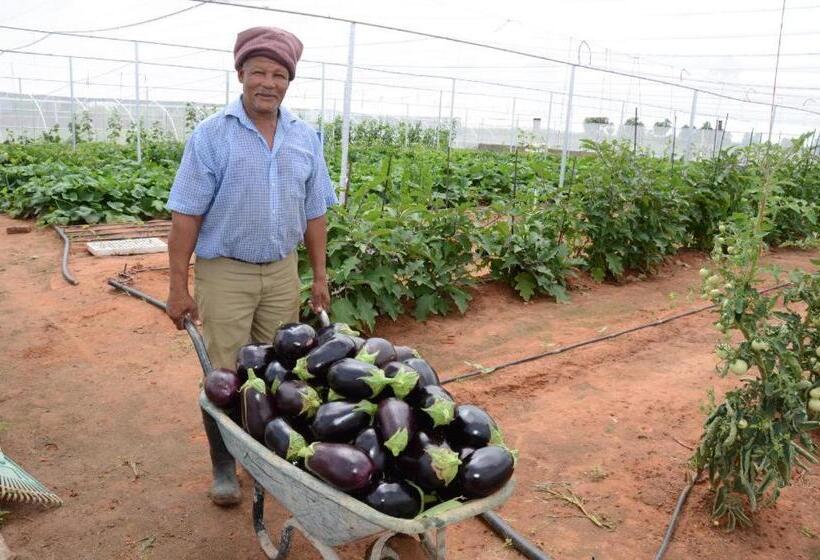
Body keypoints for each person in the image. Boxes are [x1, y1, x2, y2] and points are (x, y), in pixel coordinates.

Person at [164, 26, 337, 506]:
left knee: (282, 370)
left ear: (289, 82)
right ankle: (224, 464)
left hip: (281, 271)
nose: (268, 83)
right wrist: (178, 286)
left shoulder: (305, 137)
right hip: (226, 271)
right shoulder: (212, 135)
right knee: (225, 375)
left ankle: (268, 459)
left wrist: (319, 277)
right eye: (259, 72)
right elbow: (185, 216)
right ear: (240, 73)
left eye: (279, 75)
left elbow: (315, 213)